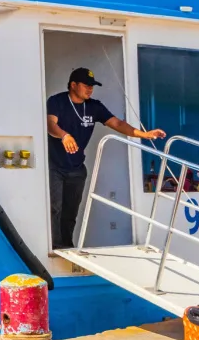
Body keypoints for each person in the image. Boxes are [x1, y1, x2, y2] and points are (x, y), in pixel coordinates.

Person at [46, 67, 166, 250]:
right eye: (86, 85)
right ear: (73, 85)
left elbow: (117, 123)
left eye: (92, 86)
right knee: (55, 207)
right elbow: (49, 124)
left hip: (77, 167)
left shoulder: (94, 106)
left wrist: (144, 134)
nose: (90, 89)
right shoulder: (57, 102)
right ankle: (54, 245)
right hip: (54, 165)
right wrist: (64, 136)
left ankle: (66, 245)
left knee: (71, 210)